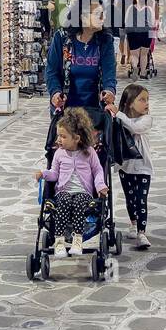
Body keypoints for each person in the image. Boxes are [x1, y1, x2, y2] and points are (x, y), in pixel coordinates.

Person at [35, 108, 108, 256]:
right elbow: (54, 173)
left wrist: (100, 185)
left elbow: (98, 171)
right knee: (63, 202)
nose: (58, 140)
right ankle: (59, 241)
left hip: (84, 192)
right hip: (63, 191)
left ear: (76, 138)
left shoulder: (89, 152)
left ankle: (77, 240)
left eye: (62, 136)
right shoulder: (59, 154)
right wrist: (43, 173)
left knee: (80, 202)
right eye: (58, 136)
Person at [45, 0, 117, 113]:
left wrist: (109, 90)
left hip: (95, 110)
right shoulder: (61, 38)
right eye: (98, 14)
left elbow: (109, 71)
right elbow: (52, 71)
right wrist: (55, 92)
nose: (103, 18)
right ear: (82, 17)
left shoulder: (105, 40)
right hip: (66, 109)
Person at [115, 83, 153, 250]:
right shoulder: (120, 119)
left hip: (143, 167)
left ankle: (141, 232)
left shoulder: (146, 120)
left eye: (147, 100)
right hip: (126, 167)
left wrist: (119, 115)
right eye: (142, 100)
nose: (146, 103)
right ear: (130, 102)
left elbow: (134, 127)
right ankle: (133, 223)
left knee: (141, 200)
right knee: (130, 199)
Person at [126, 0, 151, 78]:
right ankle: (143, 73)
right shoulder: (148, 9)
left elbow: (127, 21)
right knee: (144, 54)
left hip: (133, 32)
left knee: (134, 55)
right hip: (146, 32)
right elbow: (151, 22)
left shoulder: (130, 8)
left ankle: (135, 69)